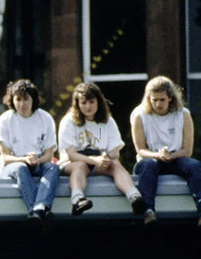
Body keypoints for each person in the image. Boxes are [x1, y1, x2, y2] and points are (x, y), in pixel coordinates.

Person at [131, 76, 201, 226]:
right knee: (148, 165)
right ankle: (148, 212)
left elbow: (187, 150)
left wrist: (171, 155)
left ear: (170, 98)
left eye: (162, 100)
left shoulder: (183, 114)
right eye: (154, 100)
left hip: (177, 157)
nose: (158, 104)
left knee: (195, 166)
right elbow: (140, 149)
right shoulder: (139, 115)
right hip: (150, 159)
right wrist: (158, 155)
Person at [58, 82, 144, 216]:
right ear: (77, 104)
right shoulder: (68, 121)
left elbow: (115, 154)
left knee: (115, 164)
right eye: (83, 102)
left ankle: (135, 197)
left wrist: (107, 156)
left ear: (99, 102)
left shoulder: (108, 121)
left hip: (98, 162)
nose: (88, 106)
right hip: (71, 163)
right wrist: (95, 160)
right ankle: (78, 200)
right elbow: (72, 155)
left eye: (91, 102)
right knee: (79, 166)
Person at [0, 79, 61, 221]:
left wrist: (37, 160)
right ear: (12, 100)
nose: (22, 104)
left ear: (33, 100)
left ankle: (39, 208)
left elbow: (49, 156)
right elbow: (5, 157)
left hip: (39, 162)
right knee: (20, 168)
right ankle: (36, 210)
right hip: (13, 165)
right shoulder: (5, 120)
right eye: (18, 99)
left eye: (26, 99)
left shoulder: (45, 118)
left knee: (53, 168)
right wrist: (24, 159)